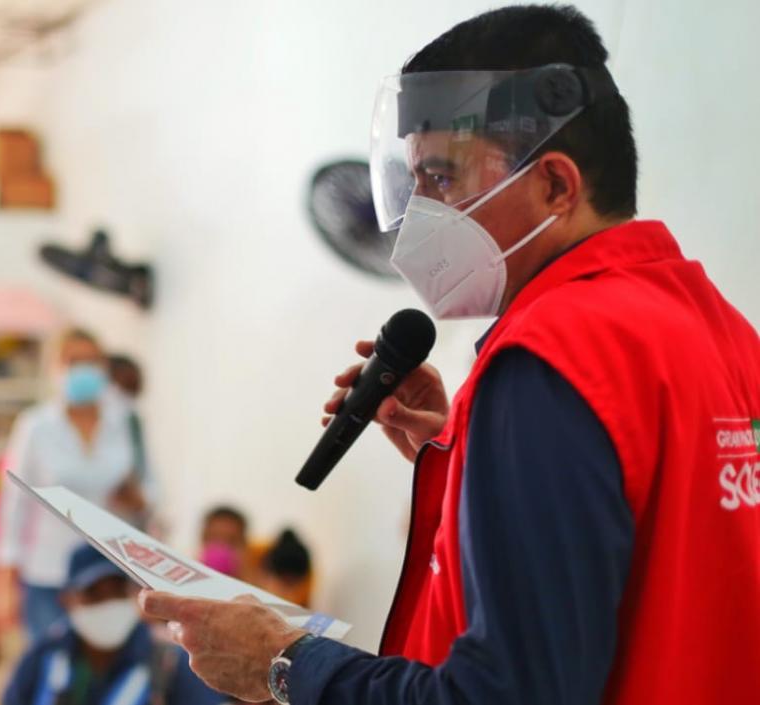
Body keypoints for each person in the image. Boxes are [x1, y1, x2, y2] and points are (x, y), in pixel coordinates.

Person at [139, 6, 760, 705]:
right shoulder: (720, 333)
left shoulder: (550, 357)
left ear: (555, 185)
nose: (419, 216)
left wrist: (285, 662)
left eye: (440, 178)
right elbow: (660, 558)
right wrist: (471, 457)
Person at [0, 328, 157, 641]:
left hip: (112, 573)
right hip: (49, 573)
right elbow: (14, 504)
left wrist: (139, 499)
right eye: (73, 361)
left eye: (91, 361)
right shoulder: (36, 426)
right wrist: (4, 580)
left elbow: (152, 489)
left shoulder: (126, 423)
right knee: (53, 671)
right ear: (55, 367)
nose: (83, 369)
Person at [4, 545, 228, 705]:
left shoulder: (170, 662)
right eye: (94, 595)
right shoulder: (43, 655)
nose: (108, 605)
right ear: (67, 600)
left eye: (117, 593)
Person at [252, 529, 313, 609]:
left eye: (292, 582)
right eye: (286, 581)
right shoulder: (255, 554)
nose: (288, 585)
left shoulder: (308, 579)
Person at [197, 505, 249, 578]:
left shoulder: (255, 586)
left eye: (231, 541)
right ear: (202, 538)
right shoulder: (180, 583)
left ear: (244, 544)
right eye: (214, 539)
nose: (220, 548)